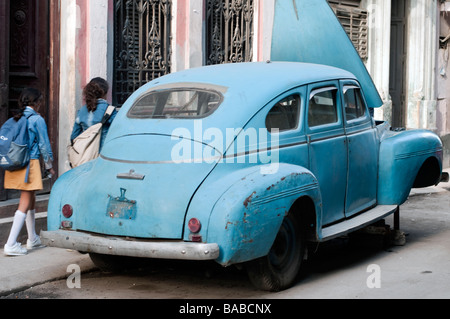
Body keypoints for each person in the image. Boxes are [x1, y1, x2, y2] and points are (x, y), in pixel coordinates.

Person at [3, 88, 55, 256]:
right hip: (29, 164)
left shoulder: (16, 118)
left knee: (30, 198)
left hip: (17, 164)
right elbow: (44, 145)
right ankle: (11, 243)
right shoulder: (37, 119)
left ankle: (32, 238)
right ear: (37, 102)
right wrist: (49, 166)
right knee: (24, 202)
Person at [70, 77, 117, 152]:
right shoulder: (109, 111)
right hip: (103, 155)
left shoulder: (81, 111)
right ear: (104, 93)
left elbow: (73, 136)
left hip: (85, 156)